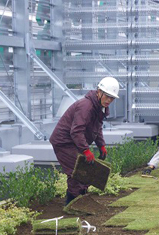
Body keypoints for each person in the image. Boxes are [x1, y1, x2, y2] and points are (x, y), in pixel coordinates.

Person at [49, 76, 120, 205]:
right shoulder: (86, 106)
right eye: (107, 96)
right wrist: (86, 150)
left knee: (84, 171)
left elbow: (96, 128)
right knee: (77, 172)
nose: (109, 100)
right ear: (99, 92)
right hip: (64, 142)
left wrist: (101, 146)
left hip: (73, 142)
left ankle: (79, 200)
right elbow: (76, 131)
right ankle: (73, 204)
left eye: (112, 98)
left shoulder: (99, 107)